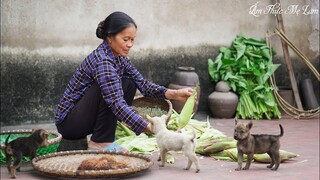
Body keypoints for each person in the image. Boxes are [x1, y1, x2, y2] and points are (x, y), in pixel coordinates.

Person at [55, 11, 193, 151]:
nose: (130, 44)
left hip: (85, 119)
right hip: (70, 123)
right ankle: (100, 141)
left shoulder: (120, 58)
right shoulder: (103, 61)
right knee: (110, 89)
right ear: (110, 37)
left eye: (132, 40)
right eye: (125, 39)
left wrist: (175, 93)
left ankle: (103, 136)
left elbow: (143, 85)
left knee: (129, 82)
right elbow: (115, 102)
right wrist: (149, 127)